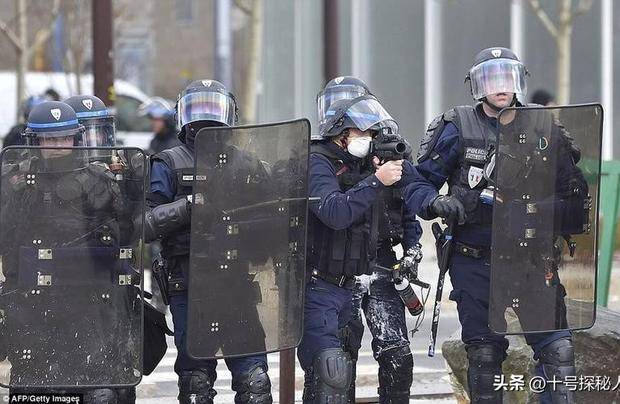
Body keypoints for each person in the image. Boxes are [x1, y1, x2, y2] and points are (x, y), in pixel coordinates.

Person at [404, 47, 585, 403]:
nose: (500, 87)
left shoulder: (542, 125)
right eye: (491, 79)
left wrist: (532, 211)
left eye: (507, 78)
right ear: (477, 86)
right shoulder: (457, 126)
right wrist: (436, 202)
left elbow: (575, 195)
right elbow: (417, 182)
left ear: (518, 82)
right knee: (485, 357)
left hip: (532, 259)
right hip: (475, 259)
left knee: (558, 351)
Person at [0, 101, 139, 403]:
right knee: (31, 386)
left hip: (86, 301)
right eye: (49, 139)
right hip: (32, 302)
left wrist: (132, 191)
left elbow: (122, 238)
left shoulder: (98, 180)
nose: (58, 146)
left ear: (76, 138)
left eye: (64, 138)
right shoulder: (15, 181)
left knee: (97, 389)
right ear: (35, 141)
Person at [144, 79, 272, 404]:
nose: (206, 116)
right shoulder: (168, 163)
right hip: (188, 284)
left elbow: (272, 223)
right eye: (198, 108)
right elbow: (144, 224)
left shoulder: (248, 164)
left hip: (237, 283)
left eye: (213, 108)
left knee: (255, 382)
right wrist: (188, 206)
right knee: (195, 383)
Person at [298, 92, 412, 403]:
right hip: (318, 285)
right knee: (329, 372)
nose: (369, 138)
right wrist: (376, 180)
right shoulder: (317, 162)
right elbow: (335, 213)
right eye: (362, 132)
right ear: (340, 132)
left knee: (374, 362)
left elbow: (403, 206)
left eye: (372, 133)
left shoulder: (362, 165)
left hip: (350, 284)